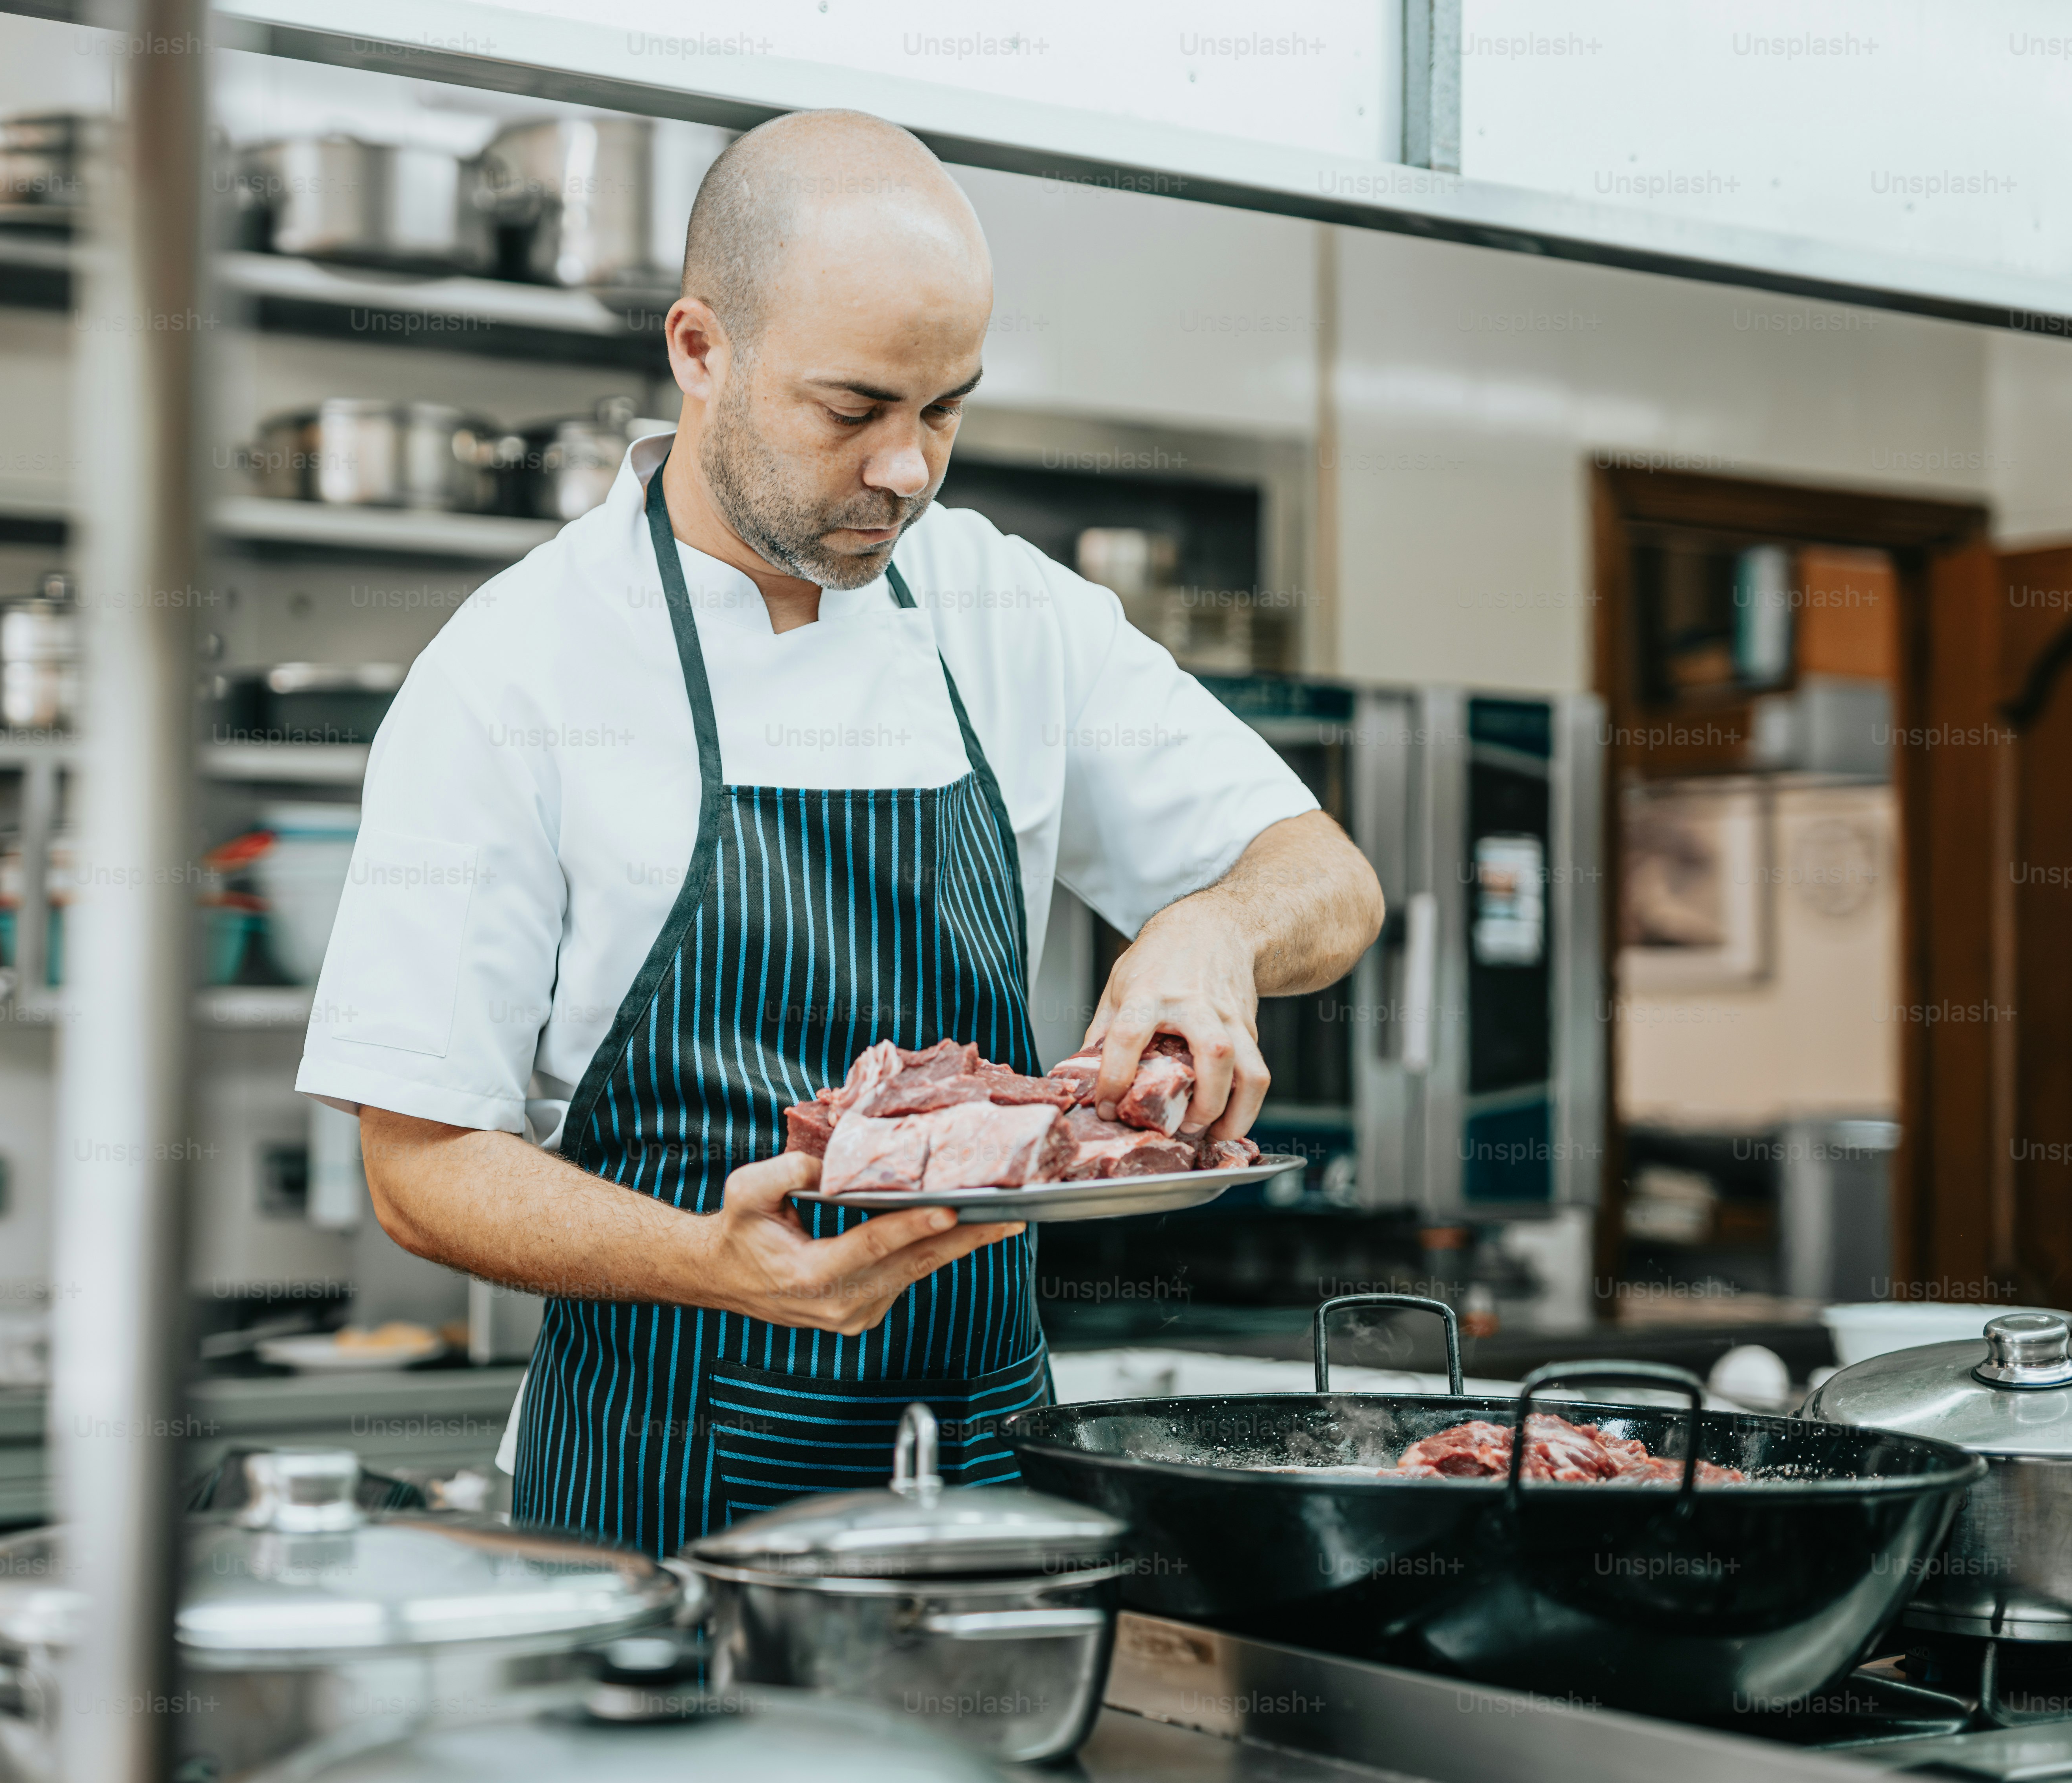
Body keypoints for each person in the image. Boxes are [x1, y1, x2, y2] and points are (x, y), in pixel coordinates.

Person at [297, 109, 1382, 1554]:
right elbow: (420, 1163)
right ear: (699, 349)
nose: (909, 471)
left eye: (944, 410)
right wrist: (716, 1262)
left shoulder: (1008, 610)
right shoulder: (514, 672)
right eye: (853, 409)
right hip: (662, 1475)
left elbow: (1331, 878)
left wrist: (1214, 926)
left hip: (992, 1476)